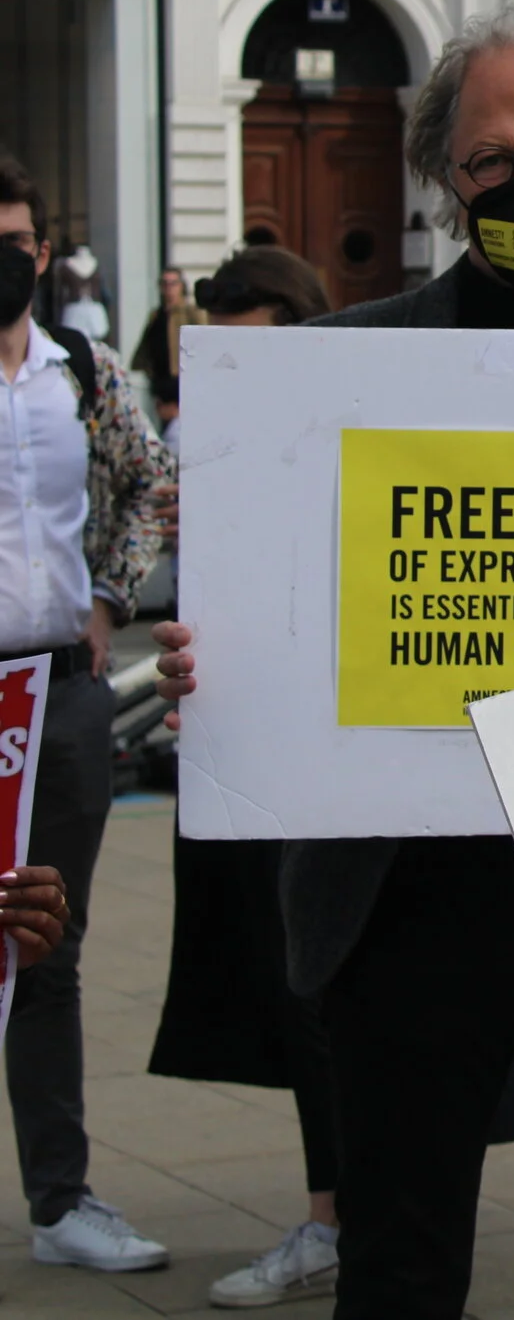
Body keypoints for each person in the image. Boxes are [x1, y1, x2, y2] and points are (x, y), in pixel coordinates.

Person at [153, 8, 514, 1319]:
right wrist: (217, 656)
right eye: (491, 162)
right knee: (400, 1259)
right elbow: (270, 601)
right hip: (406, 891)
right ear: (446, 178)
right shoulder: (332, 368)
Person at [143, 247, 349, 1309]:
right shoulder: (217, 454)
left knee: (332, 990)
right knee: (290, 983)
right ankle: (335, 1211)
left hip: (347, 769)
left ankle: (340, 1216)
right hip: (254, 753)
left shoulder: (346, 449)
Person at [0, 153, 175, 1271]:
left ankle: (61, 1200)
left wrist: (112, 594)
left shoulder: (81, 370)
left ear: (43, 251)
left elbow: (152, 482)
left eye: (15, 239)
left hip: (57, 689)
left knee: (46, 949)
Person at [131, 266, 201, 438]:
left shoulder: (191, 313)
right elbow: (144, 351)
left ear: (181, 286)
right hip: (162, 383)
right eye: (165, 284)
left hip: (184, 381)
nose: (169, 289)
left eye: (173, 284)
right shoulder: (156, 315)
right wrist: (150, 374)